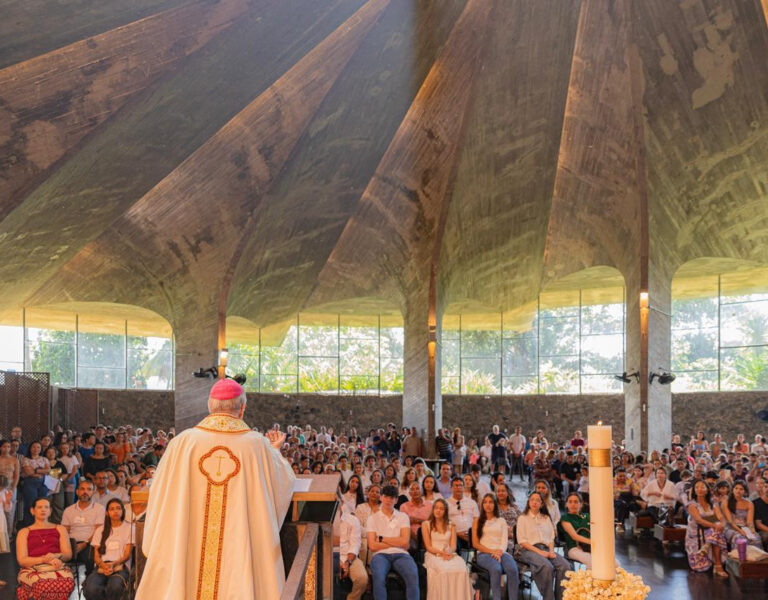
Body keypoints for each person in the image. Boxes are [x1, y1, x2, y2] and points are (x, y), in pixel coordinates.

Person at [136, 378, 295, 599]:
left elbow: (160, 490)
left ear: (210, 406)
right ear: (242, 409)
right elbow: (282, 483)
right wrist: (274, 452)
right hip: (239, 548)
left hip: (187, 546)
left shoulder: (183, 442)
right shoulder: (257, 445)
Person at [366, 485, 419, 600]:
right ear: (381, 497)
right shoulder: (372, 518)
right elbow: (372, 545)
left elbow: (405, 542)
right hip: (380, 555)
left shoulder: (403, 516)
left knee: (413, 576)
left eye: (392, 497)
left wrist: (381, 538)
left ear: (396, 500)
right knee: (379, 578)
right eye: (386, 497)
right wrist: (397, 541)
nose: (388, 500)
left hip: (402, 554)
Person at [16, 497, 75, 600]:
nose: (43, 510)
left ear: (50, 511)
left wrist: (56, 556)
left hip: (57, 566)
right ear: (32, 511)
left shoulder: (60, 529)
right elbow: (22, 560)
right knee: (42, 585)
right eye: (39, 507)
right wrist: (44, 559)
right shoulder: (24, 532)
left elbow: (68, 554)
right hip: (32, 568)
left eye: (46, 507)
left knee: (68, 581)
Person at [517, 492, 569, 600]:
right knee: (547, 567)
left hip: (546, 548)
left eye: (537, 500)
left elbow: (551, 537)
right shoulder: (523, 518)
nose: (534, 502)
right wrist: (540, 553)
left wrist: (551, 551)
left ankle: (561, 597)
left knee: (565, 566)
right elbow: (522, 541)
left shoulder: (546, 517)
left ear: (541, 504)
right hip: (528, 550)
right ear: (528, 502)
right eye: (532, 499)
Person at [422, 498, 473, 600]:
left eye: (441, 509)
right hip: (433, 554)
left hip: (449, 553)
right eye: (436, 508)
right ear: (433, 509)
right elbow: (428, 546)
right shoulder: (426, 524)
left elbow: (453, 545)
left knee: (462, 568)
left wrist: (449, 552)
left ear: (445, 511)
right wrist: (441, 553)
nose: (438, 510)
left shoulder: (451, 525)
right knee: (444, 570)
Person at [83, 498, 134, 600]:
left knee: (114, 586)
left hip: (120, 566)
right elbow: (96, 557)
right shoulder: (100, 530)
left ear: (123, 511)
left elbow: (127, 555)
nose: (115, 511)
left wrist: (113, 565)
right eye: (112, 509)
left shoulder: (130, 528)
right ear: (107, 513)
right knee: (90, 588)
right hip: (101, 567)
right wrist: (103, 565)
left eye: (118, 508)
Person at [472, 493, 519, 600]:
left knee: (513, 569)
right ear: (482, 505)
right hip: (483, 554)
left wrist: (499, 552)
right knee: (496, 569)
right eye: (485, 502)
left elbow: (504, 540)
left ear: (495, 504)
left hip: (501, 552)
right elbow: (476, 544)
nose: (488, 505)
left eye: (491, 502)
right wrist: (492, 551)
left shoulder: (501, 521)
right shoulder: (477, 521)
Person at [62, 480, 106, 575]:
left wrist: (85, 543)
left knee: (90, 556)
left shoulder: (99, 508)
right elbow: (65, 531)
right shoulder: (68, 510)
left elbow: (98, 531)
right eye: (82, 489)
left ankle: (89, 582)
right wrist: (67, 545)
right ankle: (65, 581)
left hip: (90, 542)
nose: (85, 492)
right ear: (77, 491)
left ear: (93, 492)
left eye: (89, 489)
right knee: (59, 556)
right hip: (71, 543)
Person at [685, 479, 728, 578]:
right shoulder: (692, 504)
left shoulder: (712, 502)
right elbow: (699, 520)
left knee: (716, 529)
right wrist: (715, 525)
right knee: (715, 530)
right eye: (697, 487)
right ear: (694, 490)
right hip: (697, 533)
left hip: (710, 530)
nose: (699, 489)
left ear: (707, 490)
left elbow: (720, 516)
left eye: (702, 487)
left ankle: (715, 559)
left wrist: (721, 523)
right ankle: (717, 565)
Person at [334, 504, 368, 600]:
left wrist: (347, 563)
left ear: (341, 503)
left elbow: (355, 545)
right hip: (330, 555)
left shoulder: (352, 520)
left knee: (362, 578)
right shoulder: (325, 520)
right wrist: (339, 562)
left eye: (337, 501)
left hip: (349, 556)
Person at [721, 480, 762, 551]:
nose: (738, 491)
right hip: (731, 528)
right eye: (736, 488)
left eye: (741, 489)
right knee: (740, 538)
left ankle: (755, 561)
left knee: (756, 538)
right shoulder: (726, 502)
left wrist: (752, 530)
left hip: (745, 527)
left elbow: (750, 522)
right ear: (732, 489)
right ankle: (739, 561)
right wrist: (740, 531)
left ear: (745, 491)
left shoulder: (749, 503)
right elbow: (730, 522)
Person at [20, 441, 50, 527]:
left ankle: (42, 525)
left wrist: (36, 470)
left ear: (41, 449)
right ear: (30, 448)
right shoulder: (26, 459)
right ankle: (30, 525)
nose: (36, 449)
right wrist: (41, 471)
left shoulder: (44, 459)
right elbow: (28, 472)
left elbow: (48, 471)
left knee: (42, 504)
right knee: (30, 504)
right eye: (33, 447)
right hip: (30, 483)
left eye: (38, 447)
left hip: (43, 484)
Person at [558, 493, 592, 568]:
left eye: (576, 502)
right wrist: (593, 543)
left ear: (581, 504)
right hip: (574, 548)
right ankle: (589, 579)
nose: (573, 504)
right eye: (570, 502)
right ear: (566, 504)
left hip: (590, 547)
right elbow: (574, 536)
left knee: (615, 563)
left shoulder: (587, 516)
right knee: (591, 561)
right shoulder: (565, 518)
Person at [445, 477, 479, 548]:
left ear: (464, 488)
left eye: (461, 485)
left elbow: (477, 519)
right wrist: (456, 533)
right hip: (454, 535)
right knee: (454, 542)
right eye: (456, 485)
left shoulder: (472, 502)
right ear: (451, 488)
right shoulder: (446, 503)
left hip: (472, 534)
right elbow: (444, 522)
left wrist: (473, 533)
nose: (459, 488)